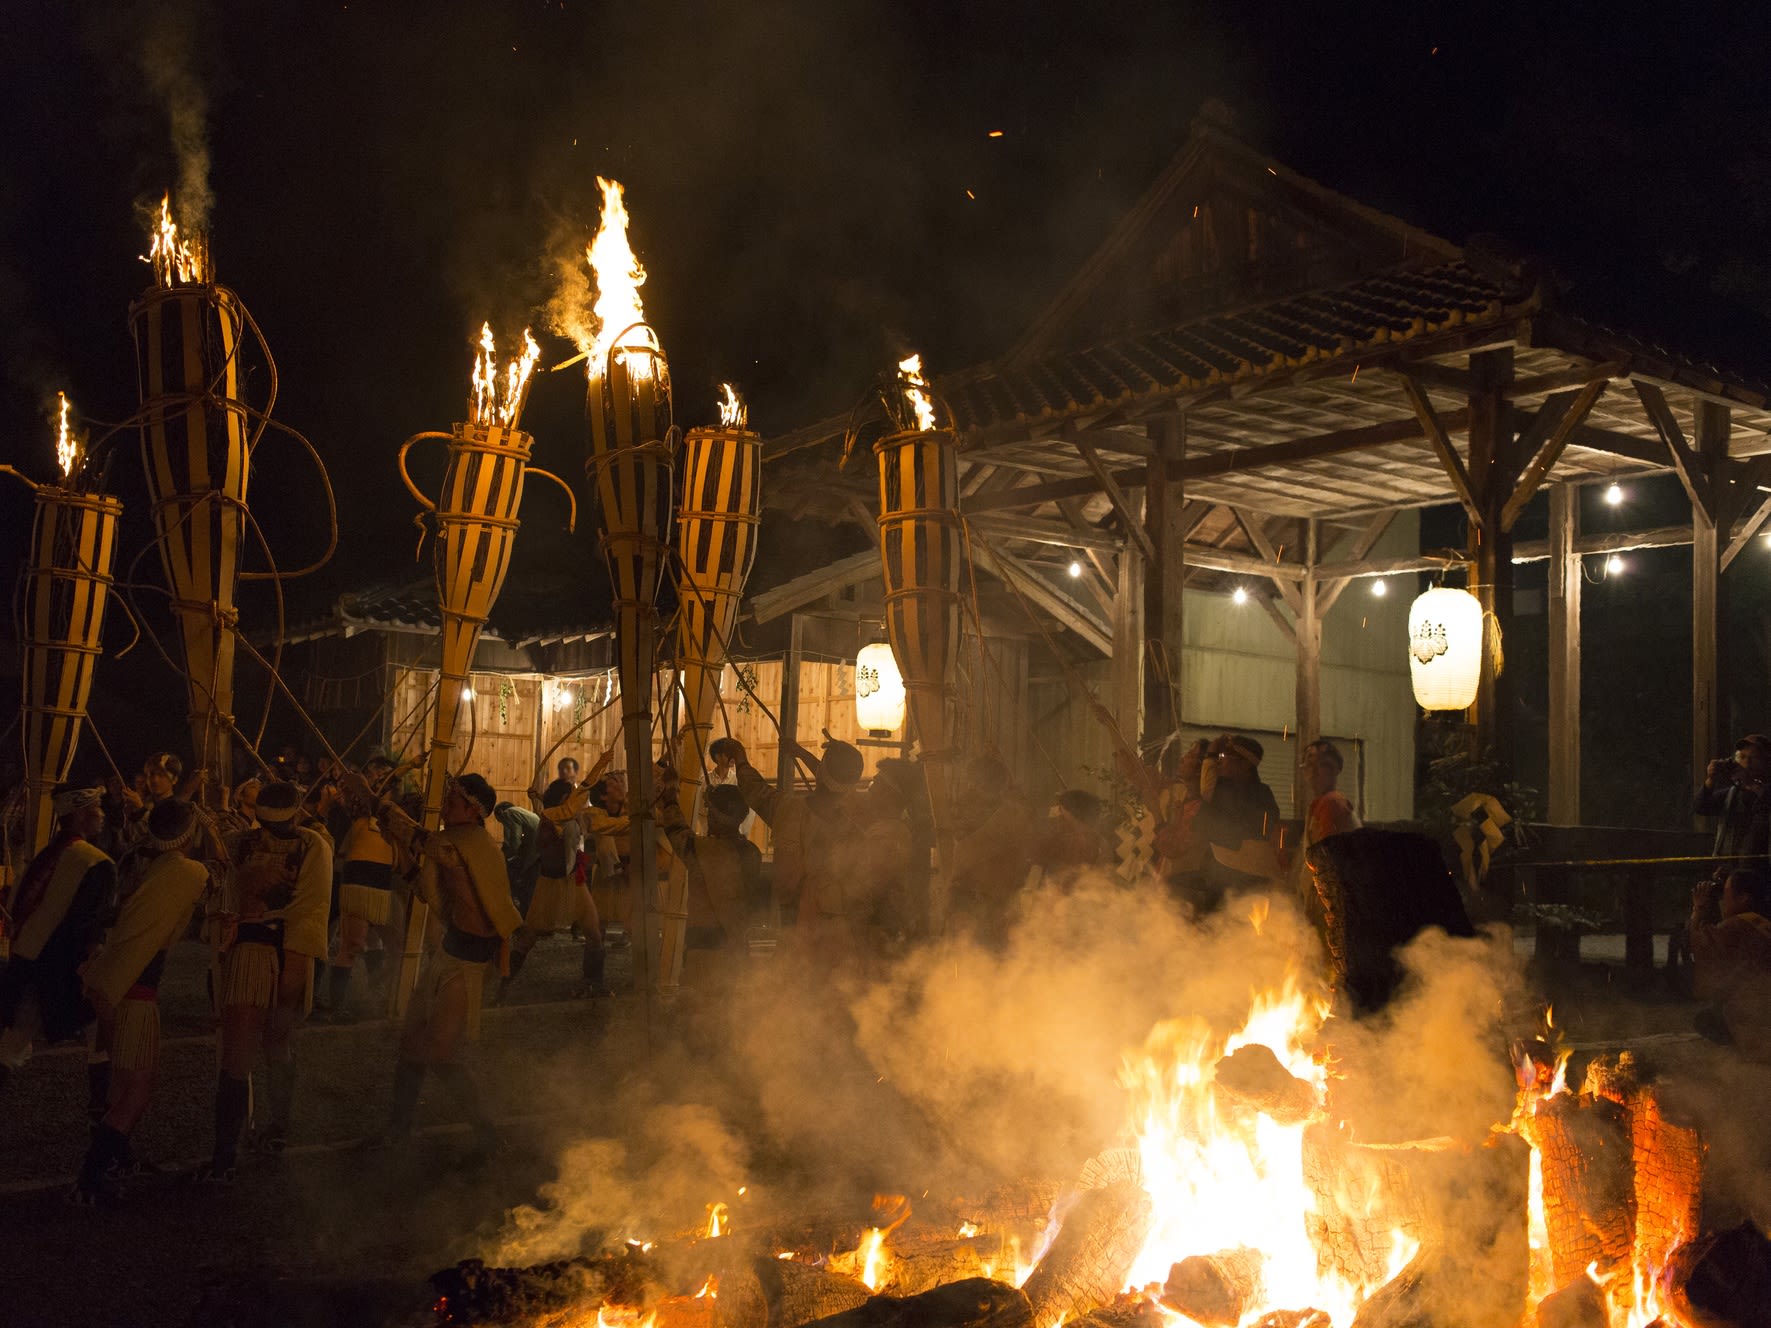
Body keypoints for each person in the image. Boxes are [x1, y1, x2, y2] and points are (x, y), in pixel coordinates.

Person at [338, 769, 531, 1160]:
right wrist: (402, 853)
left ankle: (487, 1134)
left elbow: (426, 843)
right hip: (448, 952)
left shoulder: (472, 844)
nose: (444, 806)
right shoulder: (453, 842)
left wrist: (376, 799)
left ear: (474, 811)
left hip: (470, 963)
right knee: (412, 1042)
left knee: (437, 1051)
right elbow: (425, 885)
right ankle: (398, 1130)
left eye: (452, 801)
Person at [71, 799, 212, 1203]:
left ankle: (114, 1162)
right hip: (134, 992)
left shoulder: (139, 860)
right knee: (137, 1093)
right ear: (187, 835)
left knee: (120, 1088)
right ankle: (89, 1180)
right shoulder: (186, 871)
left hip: (110, 980)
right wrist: (210, 822)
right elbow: (223, 870)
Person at [198, 779, 332, 1178]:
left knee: (238, 1055)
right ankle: (277, 1130)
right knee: (278, 1044)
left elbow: (220, 896)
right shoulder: (314, 845)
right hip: (292, 952)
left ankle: (224, 1159)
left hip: (252, 953)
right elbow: (311, 906)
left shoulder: (237, 842)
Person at [0, 787, 116, 1105]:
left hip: (25, 962)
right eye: (97, 808)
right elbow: (90, 926)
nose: (103, 814)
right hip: (61, 967)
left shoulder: (44, 856)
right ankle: (101, 1117)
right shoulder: (96, 863)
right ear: (81, 815)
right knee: (99, 1034)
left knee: (12, 1043)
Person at [499, 747, 619, 1002]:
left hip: (573, 881)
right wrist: (600, 763)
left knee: (594, 932)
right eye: (570, 796)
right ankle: (501, 983)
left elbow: (600, 819)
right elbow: (582, 792)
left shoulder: (568, 817)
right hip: (550, 883)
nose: (576, 799)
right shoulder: (555, 815)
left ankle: (593, 983)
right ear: (563, 799)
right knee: (528, 938)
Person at [657, 775, 764, 981]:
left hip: (706, 950)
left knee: (706, 1009)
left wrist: (670, 799)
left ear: (714, 817)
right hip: (738, 948)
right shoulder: (752, 852)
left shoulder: (703, 850)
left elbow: (676, 829)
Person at [949, 755, 1038, 944]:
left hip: (987, 898)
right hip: (991, 897)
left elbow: (966, 847)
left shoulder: (1008, 815)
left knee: (985, 956)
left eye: (973, 782)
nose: (969, 788)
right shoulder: (1015, 812)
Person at [1193, 733, 1283, 913]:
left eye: (1225, 757)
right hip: (1224, 876)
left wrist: (1210, 755)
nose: (1220, 762)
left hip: (1246, 880)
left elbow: (1208, 794)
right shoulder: (1227, 789)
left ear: (1245, 764)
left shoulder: (1259, 794)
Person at [1690, 866, 1771, 1061]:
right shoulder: (1760, 922)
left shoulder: (1738, 927)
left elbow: (1702, 945)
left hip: (1754, 1008)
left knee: (1708, 1017)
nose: (1721, 900)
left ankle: (1753, 1056)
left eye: (1726, 893)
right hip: (1763, 1001)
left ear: (1743, 898)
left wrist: (1698, 909)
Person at [1295, 740, 1361, 929]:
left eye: (1323, 766)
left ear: (1335, 771)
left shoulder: (1332, 804)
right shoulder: (1320, 804)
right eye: (1310, 765)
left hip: (1331, 897)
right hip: (1324, 894)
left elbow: (1328, 859)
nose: (1315, 772)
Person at [1033, 789, 1109, 883]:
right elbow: (1038, 865)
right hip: (1052, 892)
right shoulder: (1053, 836)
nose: (1057, 817)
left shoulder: (1099, 845)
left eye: (1061, 811)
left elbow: (1099, 877)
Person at [492, 796, 543, 917]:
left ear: (500, 813)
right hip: (539, 846)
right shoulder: (520, 811)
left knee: (520, 880)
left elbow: (514, 839)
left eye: (500, 821)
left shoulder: (509, 813)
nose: (503, 824)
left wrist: (506, 856)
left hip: (533, 848)